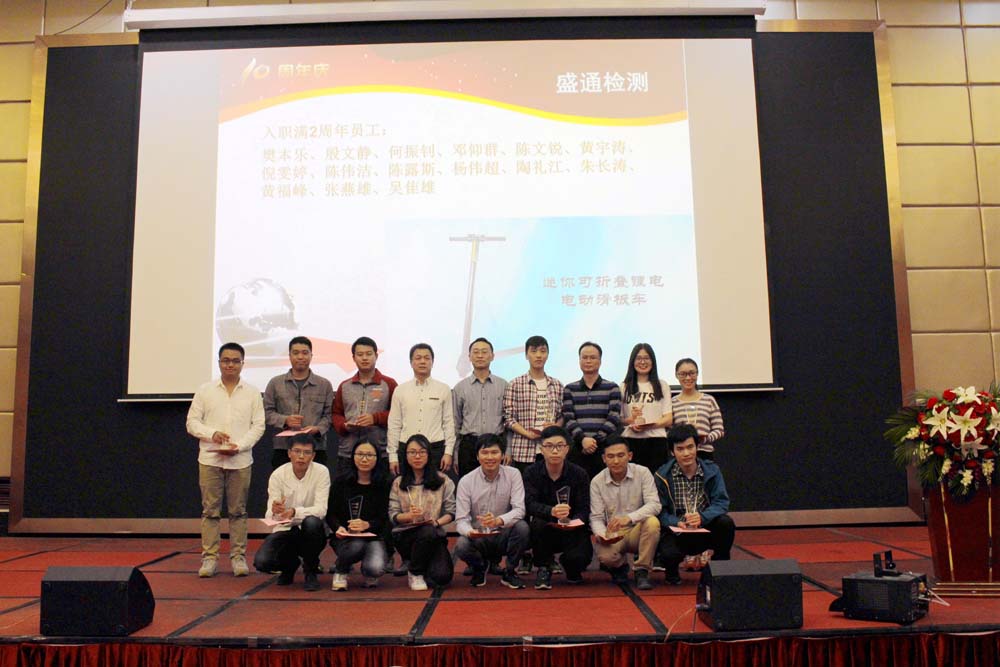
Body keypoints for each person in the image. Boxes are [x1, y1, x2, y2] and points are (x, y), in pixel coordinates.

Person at [186, 342, 265, 579]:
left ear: (243, 363)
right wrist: (212, 434)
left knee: (238, 511)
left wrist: (238, 446)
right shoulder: (205, 390)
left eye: (235, 361)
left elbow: (258, 426)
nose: (230, 365)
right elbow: (192, 422)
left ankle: (238, 557)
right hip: (210, 459)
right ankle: (209, 558)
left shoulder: (252, 392)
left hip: (240, 460)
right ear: (219, 362)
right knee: (210, 511)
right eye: (226, 360)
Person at [654, 424, 735, 585]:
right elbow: (659, 511)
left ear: (697, 447)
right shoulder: (661, 475)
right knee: (668, 553)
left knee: (726, 523)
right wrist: (676, 522)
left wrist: (702, 517)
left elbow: (721, 502)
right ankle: (672, 573)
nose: (686, 453)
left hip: (704, 527)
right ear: (672, 452)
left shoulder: (712, 471)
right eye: (680, 449)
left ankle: (720, 570)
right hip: (677, 532)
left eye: (690, 447)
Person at [253, 434, 330, 591]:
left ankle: (311, 570)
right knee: (262, 562)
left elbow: (321, 509)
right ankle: (289, 565)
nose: (301, 456)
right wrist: (275, 511)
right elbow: (270, 515)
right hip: (286, 529)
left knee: (312, 522)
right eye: (297, 451)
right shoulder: (278, 475)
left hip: (311, 531)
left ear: (313, 455)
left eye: (307, 452)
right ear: (289, 453)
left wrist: (295, 512)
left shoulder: (321, 472)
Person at [454, 433, 530, 589]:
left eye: (494, 452)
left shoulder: (513, 474)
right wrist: (471, 532)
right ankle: (479, 568)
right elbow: (461, 520)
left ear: (502, 455)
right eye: (485, 453)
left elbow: (519, 509)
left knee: (522, 528)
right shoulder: (466, 481)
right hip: (479, 536)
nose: (490, 457)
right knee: (461, 545)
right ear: (477, 456)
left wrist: (498, 520)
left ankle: (510, 572)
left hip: (503, 533)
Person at [522, 426, 592, 589]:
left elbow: (585, 508)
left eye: (560, 446)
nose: (555, 451)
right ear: (541, 449)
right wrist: (551, 511)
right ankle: (544, 567)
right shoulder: (531, 472)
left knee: (579, 559)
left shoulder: (579, 474)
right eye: (549, 446)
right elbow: (529, 504)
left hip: (572, 527)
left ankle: (570, 565)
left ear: (567, 449)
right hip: (546, 526)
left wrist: (574, 521)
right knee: (537, 523)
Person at [589, 436, 661, 590]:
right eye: (610, 456)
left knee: (652, 522)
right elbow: (596, 517)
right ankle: (620, 566)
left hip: (637, 529)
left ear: (630, 455)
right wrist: (601, 535)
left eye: (621, 455)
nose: (616, 461)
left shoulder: (643, 473)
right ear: (604, 459)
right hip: (614, 533)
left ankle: (642, 570)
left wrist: (629, 518)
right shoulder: (597, 481)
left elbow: (655, 504)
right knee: (606, 557)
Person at [388, 434, 456, 590]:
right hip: (406, 536)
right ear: (405, 455)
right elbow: (393, 514)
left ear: (429, 454)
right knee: (426, 531)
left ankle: (422, 565)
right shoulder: (398, 482)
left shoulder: (443, 480)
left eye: (422, 452)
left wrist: (437, 522)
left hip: (433, 534)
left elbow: (451, 512)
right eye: (412, 452)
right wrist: (408, 516)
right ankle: (415, 572)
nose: (417, 456)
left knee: (442, 577)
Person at [326, 440, 390, 591]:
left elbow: (385, 518)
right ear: (353, 456)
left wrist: (368, 525)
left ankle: (368, 569)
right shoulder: (341, 482)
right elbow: (330, 513)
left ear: (377, 458)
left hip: (374, 537)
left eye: (369, 455)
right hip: (346, 537)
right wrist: (338, 528)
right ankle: (341, 570)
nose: (364, 459)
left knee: (375, 568)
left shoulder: (384, 484)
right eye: (360, 454)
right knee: (357, 545)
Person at [263, 336, 335, 469]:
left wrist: (318, 429)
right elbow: (266, 413)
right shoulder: (275, 383)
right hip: (284, 447)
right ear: (289, 356)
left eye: (305, 353)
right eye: (296, 353)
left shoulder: (324, 384)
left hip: (315, 447)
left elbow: (329, 415)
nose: (300, 357)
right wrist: (285, 420)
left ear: (311, 355)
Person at [387, 343, 456, 477]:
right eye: (418, 358)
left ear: (432, 362)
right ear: (411, 362)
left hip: (435, 448)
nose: (422, 361)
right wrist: (393, 456)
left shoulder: (444, 389)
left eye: (427, 358)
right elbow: (394, 424)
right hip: (407, 449)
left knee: (434, 486)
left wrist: (448, 452)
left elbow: (448, 423)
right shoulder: (400, 390)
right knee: (407, 486)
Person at [332, 336, 397, 475]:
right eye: (360, 354)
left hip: (379, 453)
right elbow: (336, 413)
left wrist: (375, 418)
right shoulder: (344, 386)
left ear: (376, 356)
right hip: (348, 453)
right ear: (353, 358)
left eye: (369, 354)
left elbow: (398, 414)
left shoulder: (389, 384)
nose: (364, 358)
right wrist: (344, 425)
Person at [503, 335, 564, 473]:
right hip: (523, 450)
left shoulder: (557, 385)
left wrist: (556, 426)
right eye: (534, 351)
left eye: (543, 351)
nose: (538, 355)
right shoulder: (515, 384)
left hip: (551, 450)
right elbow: (508, 418)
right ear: (526, 355)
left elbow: (562, 415)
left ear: (548, 354)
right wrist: (527, 433)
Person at [562, 341, 622, 479]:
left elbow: (614, 418)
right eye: (584, 357)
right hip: (578, 448)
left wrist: (593, 442)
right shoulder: (570, 389)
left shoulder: (612, 388)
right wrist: (583, 440)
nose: (588, 361)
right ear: (579, 360)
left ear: (600, 361)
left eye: (593, 357)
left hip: (603, 449)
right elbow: (569, 418)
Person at [453, 337, 508, 476]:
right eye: (476, 352)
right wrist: (455, 453)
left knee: (498, 485)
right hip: (469, 446)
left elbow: (509, 421)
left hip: (496, 444)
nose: (480, 356)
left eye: (484, 352)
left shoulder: (504, 386)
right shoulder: (460, 388)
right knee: (468, 486)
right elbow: (455, 423)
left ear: (492, 356)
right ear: (469, 357)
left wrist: (508, 450)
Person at [620, 343, 673, 472]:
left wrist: (648, 426)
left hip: (656, 441)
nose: (642, 362)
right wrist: (631, 421)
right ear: (632, 361)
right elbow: (620, 419)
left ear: (652, 361)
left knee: (656, 480)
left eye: (646, 358)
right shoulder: (624, 386)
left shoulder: (662, 385)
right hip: (631, 441)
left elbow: (668, 419)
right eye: (638, 358)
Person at [671, 358, 724, 459]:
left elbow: (719, 429)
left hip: (704, 453)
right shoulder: (672, 402)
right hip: (682, 455)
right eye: (683, 374)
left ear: (697, 374)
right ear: (676, 375)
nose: (688, 378)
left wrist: (705, 438)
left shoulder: (709, 400)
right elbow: (668, 431)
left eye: (692, 373)